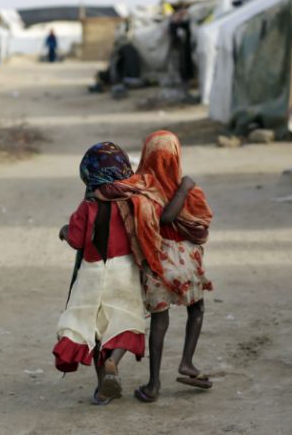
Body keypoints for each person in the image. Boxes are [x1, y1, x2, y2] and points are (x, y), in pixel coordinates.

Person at [94, 130, 214, 402]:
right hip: (187, 262)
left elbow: (116, 200)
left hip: (157, 262)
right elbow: (188, 219)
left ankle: (154, 384)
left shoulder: (141, 185)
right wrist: (184, 189)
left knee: (160, 321)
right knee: (197, 308)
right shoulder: (185, 187)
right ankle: (187, 362)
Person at [52, 142, 146, 405]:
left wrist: (63, 230)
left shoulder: (87, 207)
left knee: (93, 329)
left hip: (91, 275)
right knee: (124, 321)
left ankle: (102, 388)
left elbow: (76, 240)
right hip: (123, 273)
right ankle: (113, 365)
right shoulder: (131, 204)